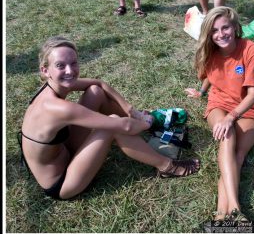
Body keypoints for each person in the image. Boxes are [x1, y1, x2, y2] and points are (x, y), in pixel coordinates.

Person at [18, 36, 200, 200]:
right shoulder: (57, 108)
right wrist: (144, 123)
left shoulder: (52, 87)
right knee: (113, 126)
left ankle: (145, 122)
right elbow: (124, 127)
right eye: (60, 65)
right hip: (62, 182)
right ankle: (167, 167)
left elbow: (99, 84)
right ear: (45, 70)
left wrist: (131, 110)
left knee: (95, 93)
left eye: (74, 63)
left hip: (63, 150)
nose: (70, 71)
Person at [185, 6, 254, 221]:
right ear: (208, 34)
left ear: (235, 27)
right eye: (214, 31)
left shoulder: (250, 49)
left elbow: (253, 94)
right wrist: (201, 92)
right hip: (219, 104)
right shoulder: (210, 52)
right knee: (226, 136)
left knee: (238, 154)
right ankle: (236, 211)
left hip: (248, 108)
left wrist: (233, 116)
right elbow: (208, 75)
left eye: (225, 28)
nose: (220, 34)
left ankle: (222, 216)